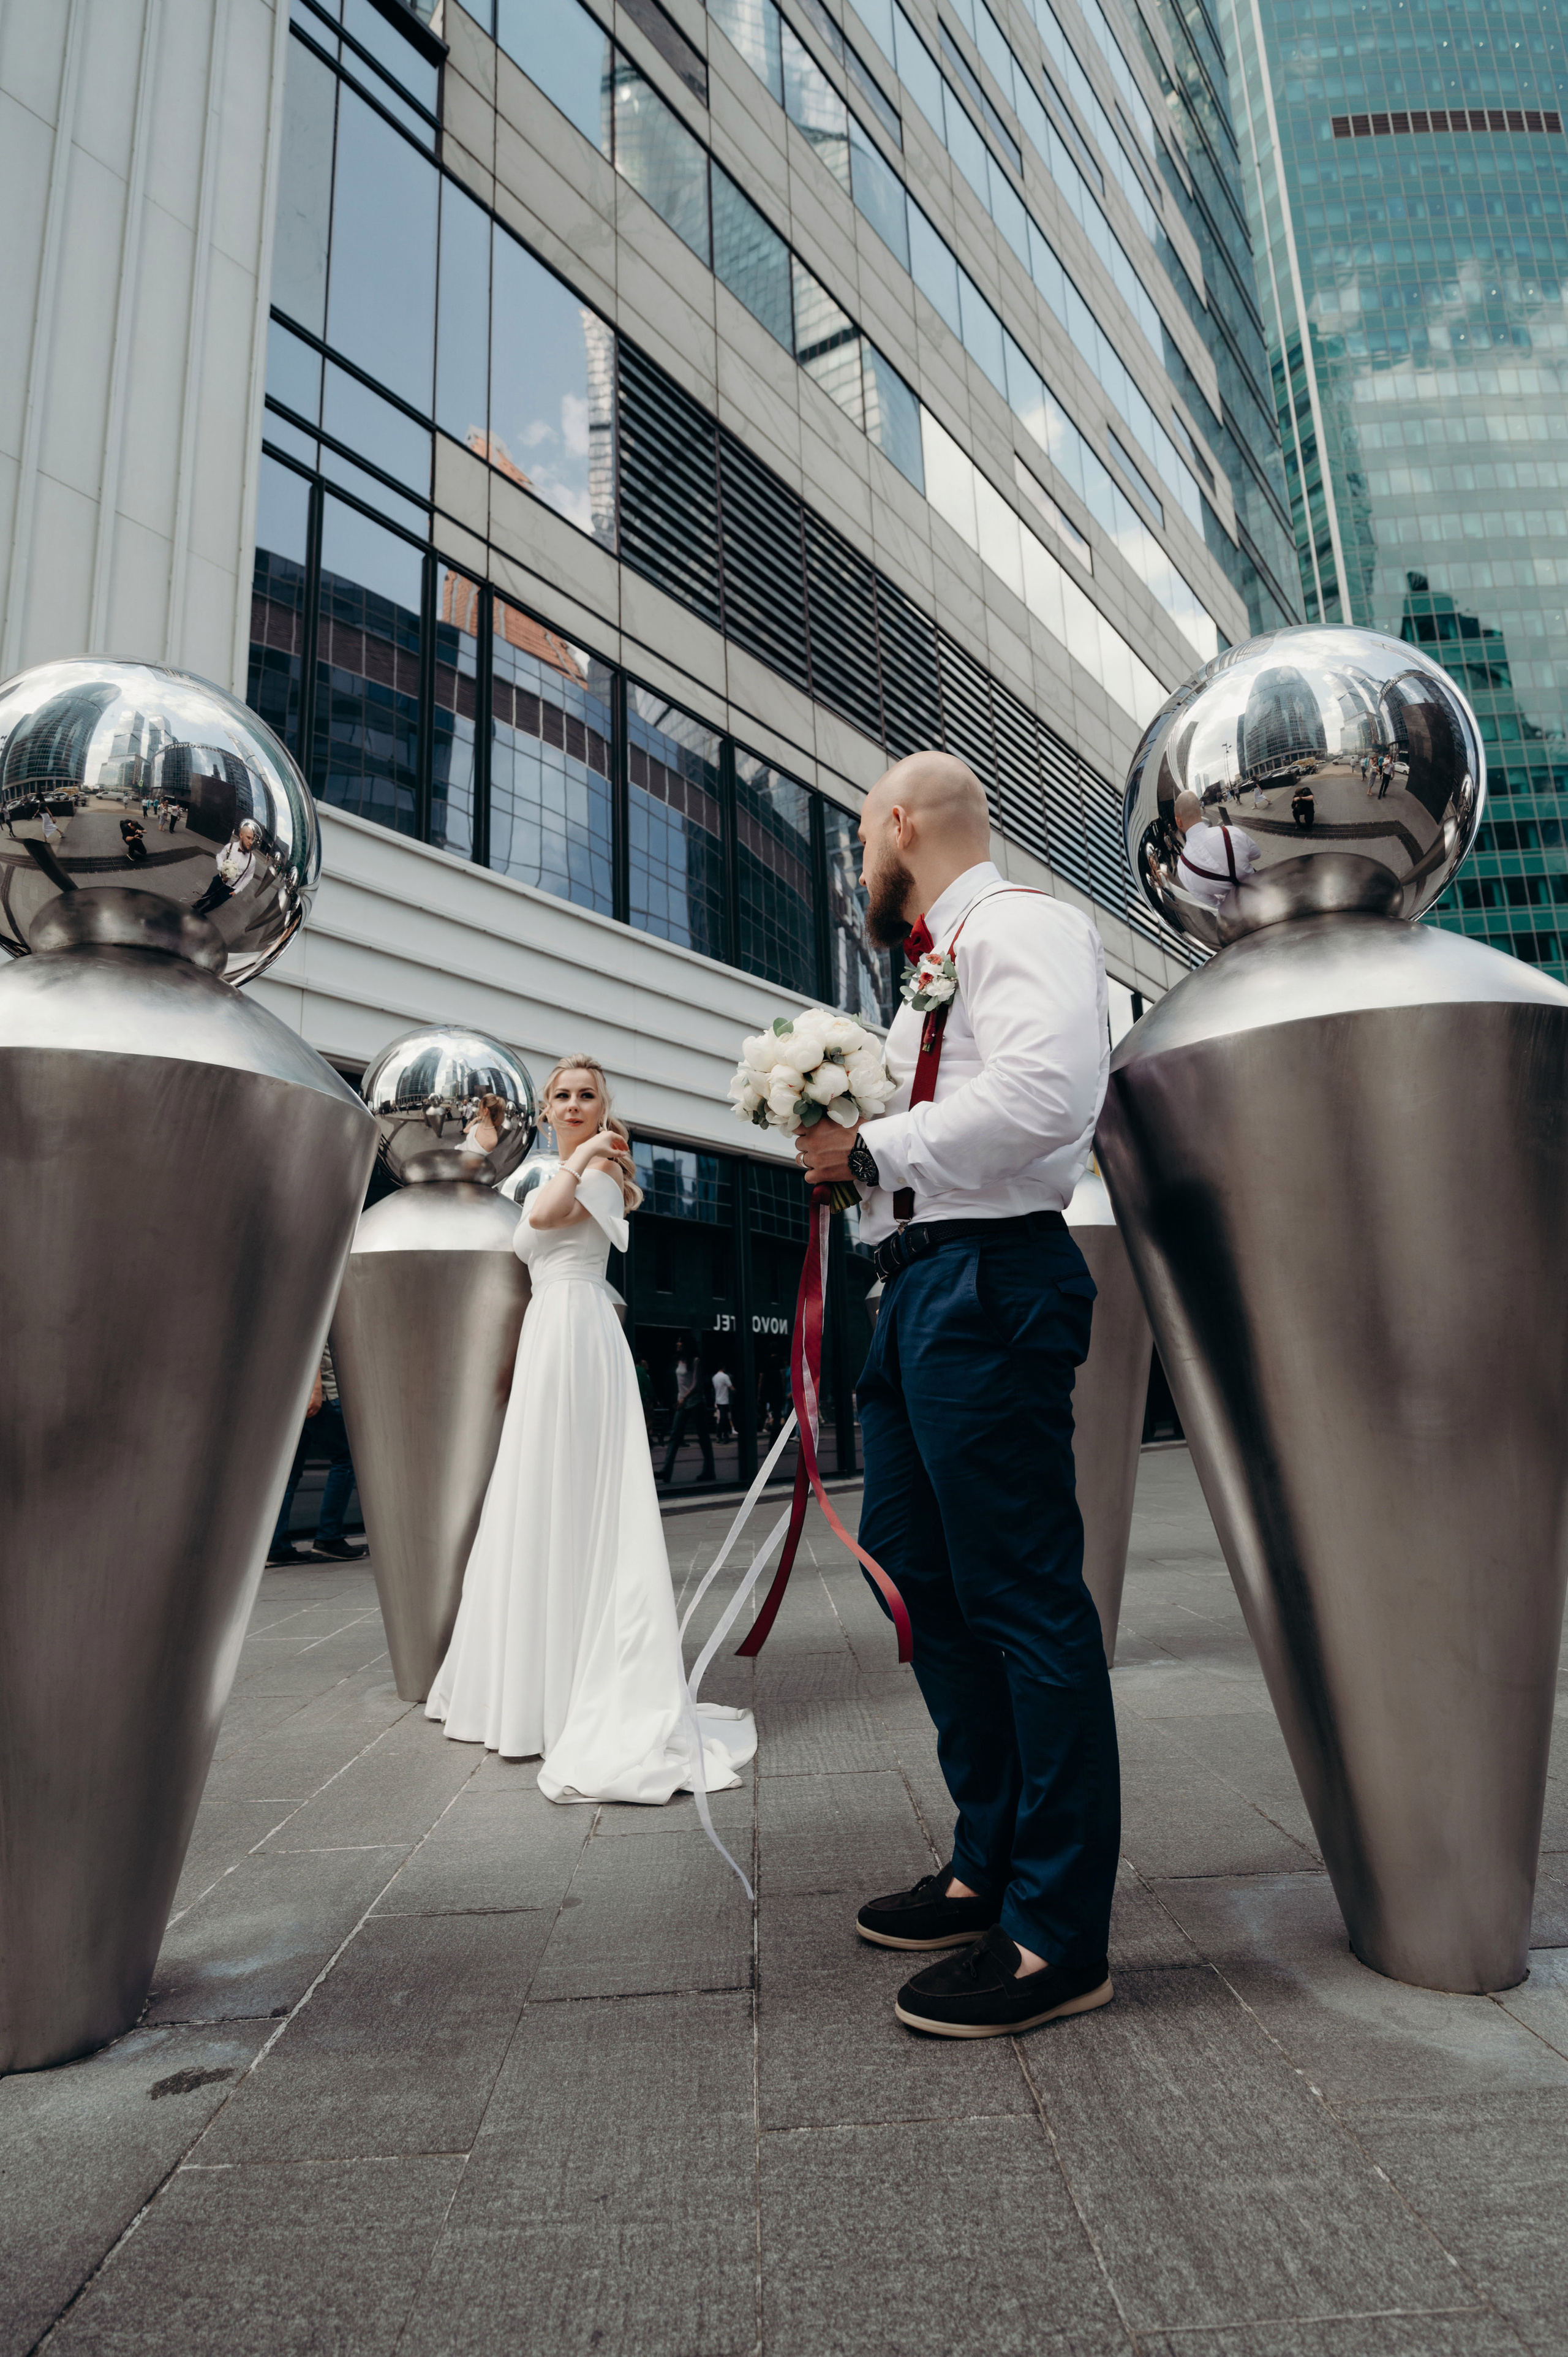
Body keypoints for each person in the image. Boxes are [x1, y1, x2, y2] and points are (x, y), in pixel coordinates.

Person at [796, 749, 1118, 2041]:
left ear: (895, 823)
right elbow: (920, 1145)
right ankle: (988, 1864)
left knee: (1020, 1596)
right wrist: (848, 1171)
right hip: (913, 1290)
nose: (857, 869)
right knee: (920, 1583)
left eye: (858, 841)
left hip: (989, 1286)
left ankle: (1055, 1934)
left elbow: (1048, 1097)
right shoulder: (918, 976)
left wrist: (871, 1146)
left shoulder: (1025, 924)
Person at [426, 1054, 755, 1804]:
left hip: (578, 1336)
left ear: (603, 1110)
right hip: (546, 1330)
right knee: (531, 1497)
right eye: (562, 1096)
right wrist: (484, 1137)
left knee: (573, 1492)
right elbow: (473, 1184)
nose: (573, 1104)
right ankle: (528, 1688)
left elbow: (540, 1219)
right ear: (544, 1107)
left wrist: (576, 1152)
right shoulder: (553, 1164)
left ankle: (583, 1687)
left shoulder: (601, 1169)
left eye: (587, 1096)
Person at [267, 1346, 367, 1564]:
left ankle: (275, 1546)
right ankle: (329, 1538)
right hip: (324, 1395)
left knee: (289, 1471)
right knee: (347, 1460)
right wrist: (315, 1390)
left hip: (297, 1394)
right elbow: (313, 1344)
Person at [1172, 787, 1262, 910]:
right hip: (1261, 890)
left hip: (1236, 909)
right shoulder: (1230, 832)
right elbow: (1257, 854)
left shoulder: (1183, 868)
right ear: (1199, 810)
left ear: (1179, 821)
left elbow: (1213, 903)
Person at [659, 1333, 715, 1485]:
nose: (678, 1345)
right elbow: (680, 1384)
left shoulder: (695, 1361)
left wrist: (684, 1398)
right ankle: (666, 1471)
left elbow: (696, 1385)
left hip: (696, 1403)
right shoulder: (679, 1362)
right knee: (675, 1436)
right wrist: (679, 1399)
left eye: (680, 1343)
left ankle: (709, 1470)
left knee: (703, 1437)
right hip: (683, 1403)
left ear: (686, 1345)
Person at [192, 818, 259, 917]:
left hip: (231, 888)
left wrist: (237, 891)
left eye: (252, 839)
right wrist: (221, 868)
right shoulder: (230, 847)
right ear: (241, 835)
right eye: (248, 838)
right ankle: (198, 905)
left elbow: (249, 877)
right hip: (219, 880)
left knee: (216, 903)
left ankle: (203, 912)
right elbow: (219, 856)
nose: (251, 842)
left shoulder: (252, 860)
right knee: (208, 894)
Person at [711, 1364, 734, 1440]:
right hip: (725, 1401)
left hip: (718, 1400)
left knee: (723, 1418)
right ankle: (721, 1435)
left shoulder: (714, 1377)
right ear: (724, 1368)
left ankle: (724, 1435)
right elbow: (731, 1387)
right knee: (723, 1419)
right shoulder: (725, 1377)